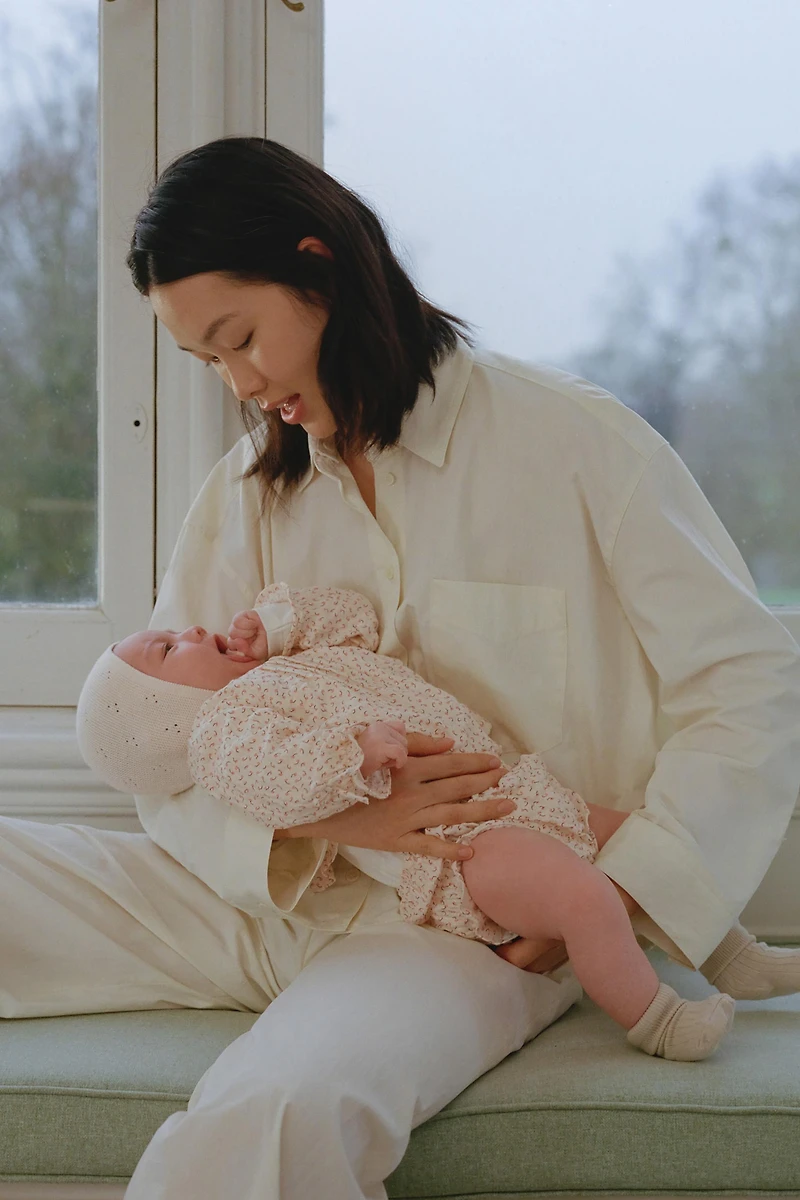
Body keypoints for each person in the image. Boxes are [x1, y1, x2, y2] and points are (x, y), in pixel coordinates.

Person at [2, 133, 797, 1198]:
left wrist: (615, 893)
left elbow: (747, 683)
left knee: (270, 1119)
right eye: (209, 363)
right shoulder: (246, 495)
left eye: (241, 339)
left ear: (317, 264)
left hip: (460, 926)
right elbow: (169, 745)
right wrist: (331, 818)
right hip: (256, 900)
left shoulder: (574, 447)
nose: (242, 386)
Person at [77, 579, 744, 1060]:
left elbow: (357, 623)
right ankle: (657, 1022)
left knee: (642, 841)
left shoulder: (281, 668)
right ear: (164, 716)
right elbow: (282, 783)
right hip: (461, 846)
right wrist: (355, 755)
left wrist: (277, 624)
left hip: (510, 789)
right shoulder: (225, 733)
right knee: (584, 896)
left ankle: (732, 952)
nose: (189, 630)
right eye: (166, 650)